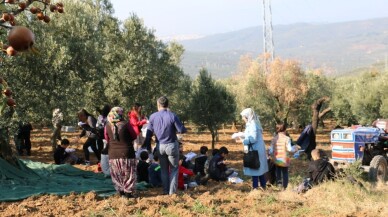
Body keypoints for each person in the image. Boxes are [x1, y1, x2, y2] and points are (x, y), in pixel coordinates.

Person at [144, 96, 187, 195]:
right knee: (174, 169)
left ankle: (165, 190)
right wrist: (184, 129)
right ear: (168, 104)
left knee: (163, 169)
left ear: (158, 105)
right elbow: (181, 130)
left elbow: (149, 133)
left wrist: (148, 146)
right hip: (171, 145)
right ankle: (172, 193)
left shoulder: (153, 116)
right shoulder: (172, 115)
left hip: (160, 146)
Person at [104, 107, 137, 198]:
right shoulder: (126, 124)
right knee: (128, 173)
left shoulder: (107, 125)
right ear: (121, 114)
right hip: (127, 153)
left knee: (117, 174)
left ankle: (121, 192)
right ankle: (128, 194)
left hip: (113, 153)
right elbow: (134, 136)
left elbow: (107, 139)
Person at [240, 108, 269, 190]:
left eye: (243, 117)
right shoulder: (254, 123)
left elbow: (253, 138)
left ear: (247, 116)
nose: (242, 118)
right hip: (257, 149)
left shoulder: (252, 124)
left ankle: (255, 188)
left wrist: (243, 141)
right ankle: (263, 186)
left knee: (255, 168)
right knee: (259, 169)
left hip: (255, 150)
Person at [269, 123, 298, 189]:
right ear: (285, 129)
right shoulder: (287, 138)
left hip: (276, 158)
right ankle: (285, 186)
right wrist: (295, 148)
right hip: (285, 158)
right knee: (285, 172)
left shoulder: (274, 139)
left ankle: (279, 184)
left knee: (278, 172)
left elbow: (271, 150)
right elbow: (289, 149)